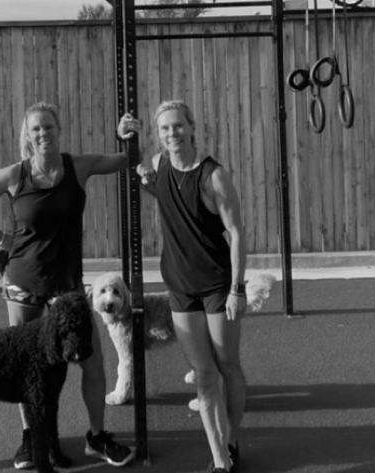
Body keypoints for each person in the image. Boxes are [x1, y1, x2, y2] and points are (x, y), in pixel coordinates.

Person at [0, 102, 135, 470]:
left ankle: (96, 437)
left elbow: (127, 160)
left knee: (92, 362)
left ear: (58, 129)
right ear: (27, 135)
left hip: (67, 285)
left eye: (48, 127)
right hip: (23, 281)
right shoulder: (14, 175)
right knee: (24, 366)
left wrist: (128, 134)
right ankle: (30, 439)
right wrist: (1, 238)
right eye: (35, 129)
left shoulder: (77, 167)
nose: (43, 133)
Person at [118, 100, 247, 473]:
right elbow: (161, 191)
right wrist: (127, 136)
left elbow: (236, 232)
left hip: (218, 285)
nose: (171, 134)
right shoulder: (160, 165)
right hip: (180, 285)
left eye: (177, 126)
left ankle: (233, 438)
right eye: (163, 129)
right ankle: (220, 460)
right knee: (204, 375)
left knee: (227, 366)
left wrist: (238, 288)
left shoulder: (213, 175)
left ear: (191, 127)